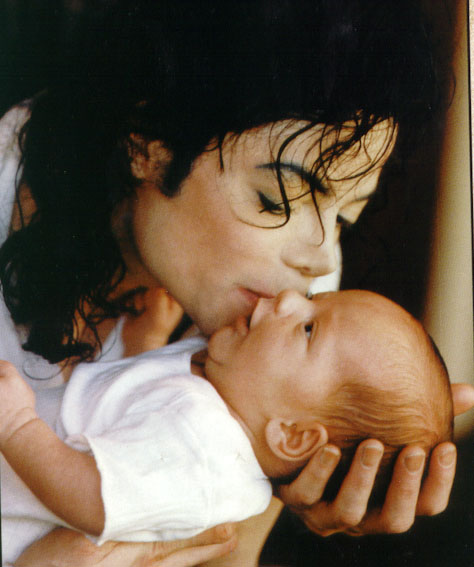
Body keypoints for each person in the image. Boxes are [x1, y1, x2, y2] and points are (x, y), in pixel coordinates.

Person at [1, 1, 473, 565]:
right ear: (148, 143)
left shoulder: (288, 306)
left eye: (345, 218)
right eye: (275, 200)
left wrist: (273, 491)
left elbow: (229, 554)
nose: (323, 257)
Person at [0, 289, 454, 565]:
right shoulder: (228, 375)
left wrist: (17, 424)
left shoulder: (205, 452)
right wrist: (147, 342)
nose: (289, 298)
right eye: (314, 298)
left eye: (309, 329)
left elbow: (94, 499)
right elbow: (125, 423)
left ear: (292, 435)